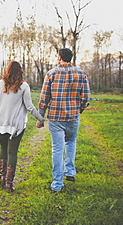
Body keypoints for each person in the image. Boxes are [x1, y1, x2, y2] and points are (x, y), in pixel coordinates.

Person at [37, 48, 90, 192]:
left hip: (55, 117)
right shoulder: (81, 74)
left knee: (57, 148)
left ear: (60, 57)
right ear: (70, 58)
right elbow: (85, 98)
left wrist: (40, 118)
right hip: (73, 116)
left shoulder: (51, 74)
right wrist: (79, 110)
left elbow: (44, 99)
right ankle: (70, 172)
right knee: (71, 142)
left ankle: (57, 184)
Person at [0, 61, 45, 192]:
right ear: (20, 71)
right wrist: (41, 118)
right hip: (15, 124)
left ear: (7, 70)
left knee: (3, 148)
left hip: (0, 122)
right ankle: (9, 184)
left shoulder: (0, 84)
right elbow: (29, 107)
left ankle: (2, 178)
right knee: (12, 152)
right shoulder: (24, 86)